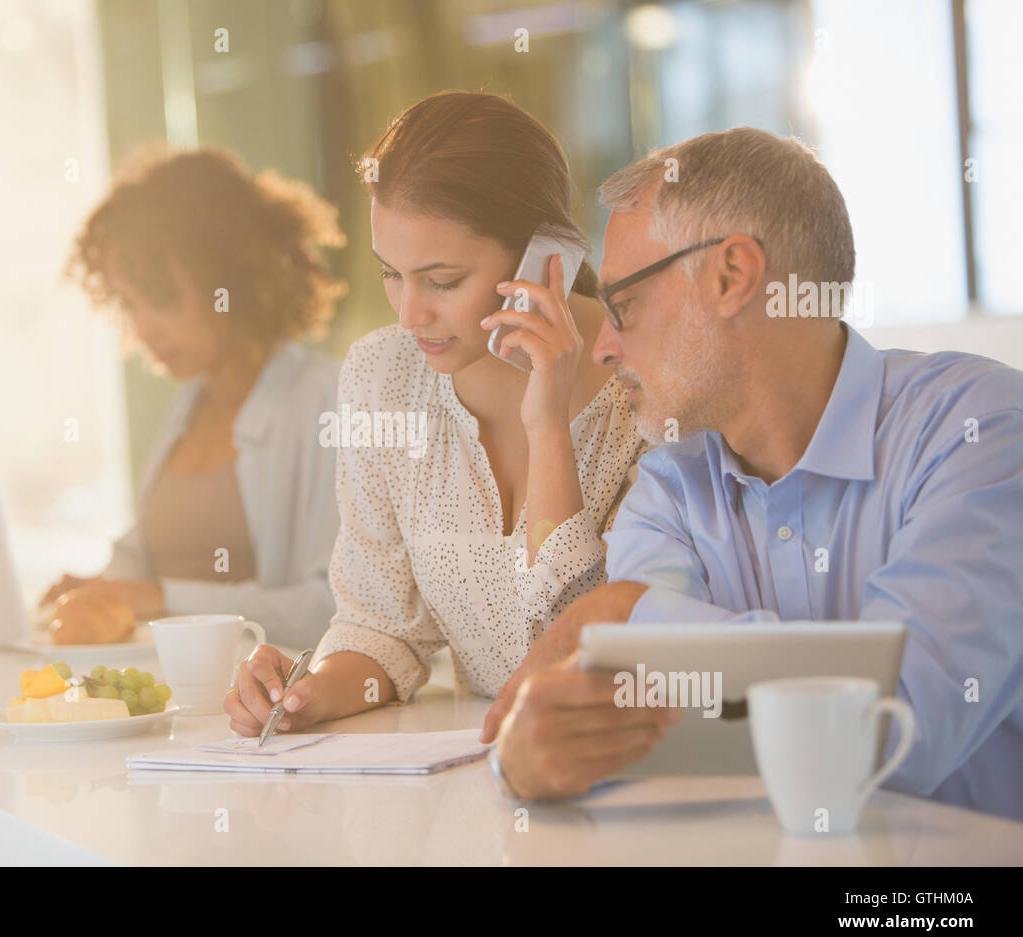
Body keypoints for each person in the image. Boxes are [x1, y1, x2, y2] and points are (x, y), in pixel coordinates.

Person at [489, 127, 1023, 821]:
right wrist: (529, 759)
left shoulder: (980, 430)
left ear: (732, 276)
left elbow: (899, 727)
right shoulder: (669, 492)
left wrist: (622, 611)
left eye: (623, 305)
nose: (603, 347)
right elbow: (643, 736)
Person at [225, 91, 648, 737]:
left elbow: (583, 649)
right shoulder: (382, 376)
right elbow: (382, 627)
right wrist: (305, 693)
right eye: (391, 274)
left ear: (548, 258)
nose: (409, 315)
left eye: (442, 281)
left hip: (616, 761)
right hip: (470, 779)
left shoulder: (646, 387)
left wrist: (547, 426)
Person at [40, 146, 346, 649]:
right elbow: (148, 553)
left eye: (160, 297)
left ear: (230, 277)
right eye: (128, 304)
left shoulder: (328, 399)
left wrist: (158, 597)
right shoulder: (191, 402)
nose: (142, 328)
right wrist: (98, 588)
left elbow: (330, 607)